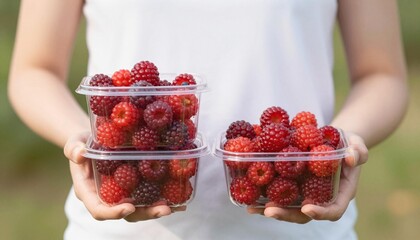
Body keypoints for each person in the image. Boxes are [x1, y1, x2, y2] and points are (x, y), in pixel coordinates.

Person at [8, 0, 408, 239]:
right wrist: (82, 144)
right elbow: (33, 69)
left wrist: (341, 145)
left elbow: (382, 74)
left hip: (304, 226)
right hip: (119, 229)